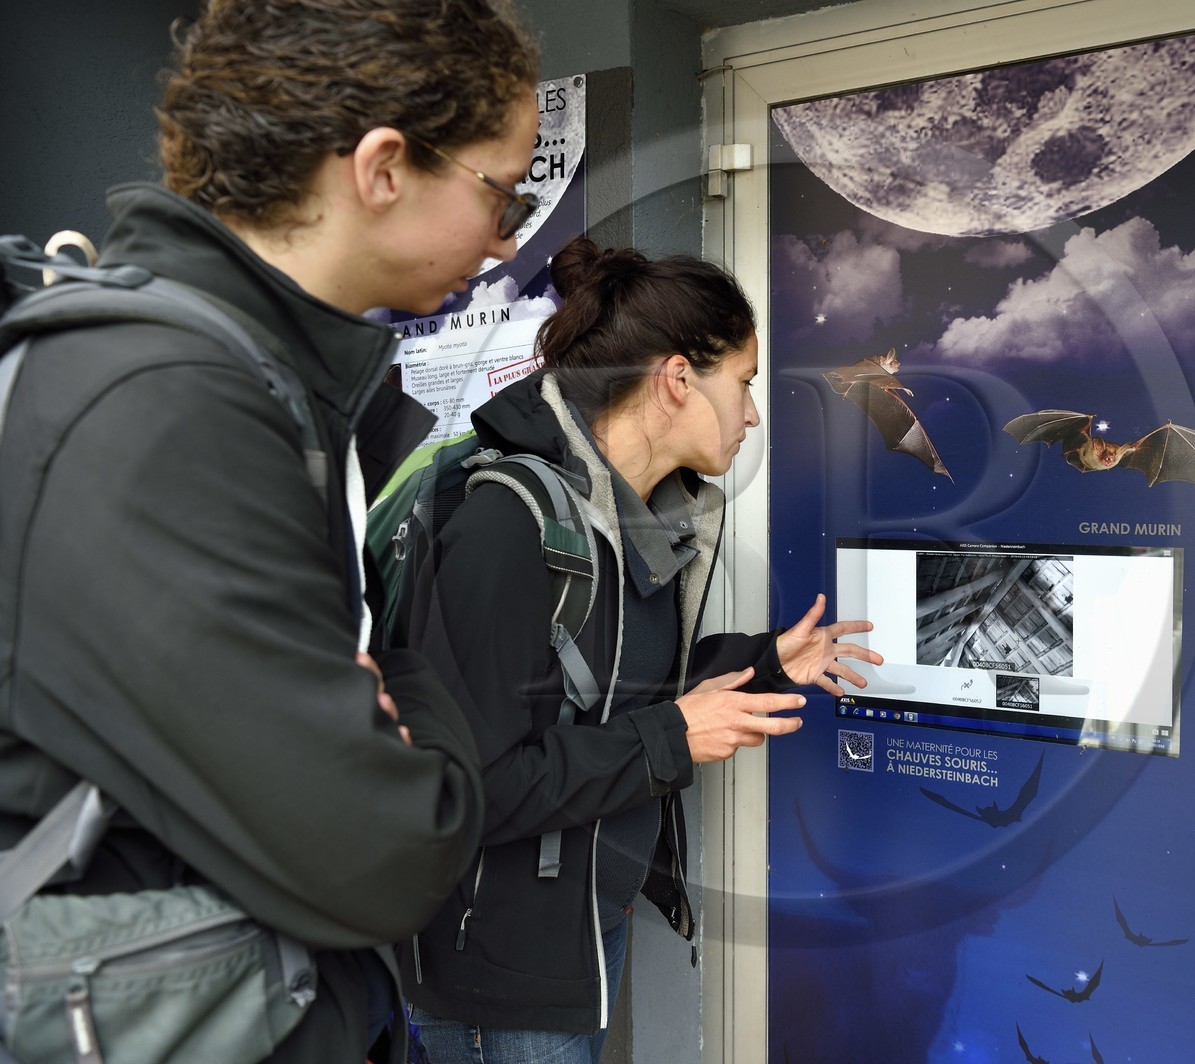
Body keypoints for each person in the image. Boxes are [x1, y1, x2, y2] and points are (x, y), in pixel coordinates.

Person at [0, 0, 547, 1060]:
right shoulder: (162, 405)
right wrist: (408, 684)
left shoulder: (268, 387)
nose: (508, 237)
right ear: (383, 167)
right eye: (500, 188)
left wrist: (374, 703)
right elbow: (386, 850)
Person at [400, 235, 882, 1063]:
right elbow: (467, 785)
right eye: (747, 383)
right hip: (498, 968)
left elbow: (610, 692)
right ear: (678, 378)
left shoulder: (634, 520)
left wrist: (766, 663)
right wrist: (674, 739)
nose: (755, 414)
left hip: (577, 928)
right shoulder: (504, 527)